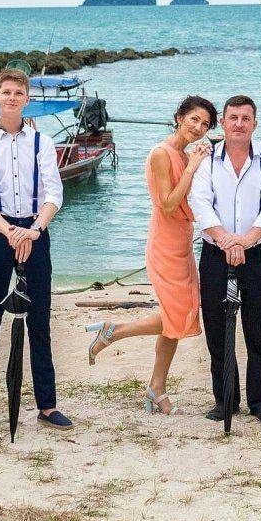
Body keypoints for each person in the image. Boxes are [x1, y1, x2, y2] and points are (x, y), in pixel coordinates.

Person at [85, 96, 214, 415]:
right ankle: (114, 331)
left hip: (183, 241)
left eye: (205, 124)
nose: (198, 128)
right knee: (179, 315)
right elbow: (168, 204)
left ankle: (157, 388)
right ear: (180, 117)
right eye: (194, 119)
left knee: (178, 317)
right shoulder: (161, 153)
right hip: (165, 244)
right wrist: (193, 166)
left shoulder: (184, 154)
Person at [0, 69, 70, 431]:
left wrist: (33, 231)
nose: (11, 98)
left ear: (27, 99)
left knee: (40, 319)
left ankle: (47, 405)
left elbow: (54, 193)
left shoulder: (43, 142)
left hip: (36, 231)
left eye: (18, 93)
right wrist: (11, 232)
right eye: (6, 92)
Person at [188, 95, 261, 424]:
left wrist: (244, 240)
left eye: (246, 118)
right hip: (216, 253)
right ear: (223, 123)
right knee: (218, 330)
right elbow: (201, 204)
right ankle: (225, 399)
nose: (239, 124)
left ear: (254, 124)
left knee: (260, 329)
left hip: (257, 253)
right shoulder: (207, 159)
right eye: (233, 118)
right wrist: (226, 240)